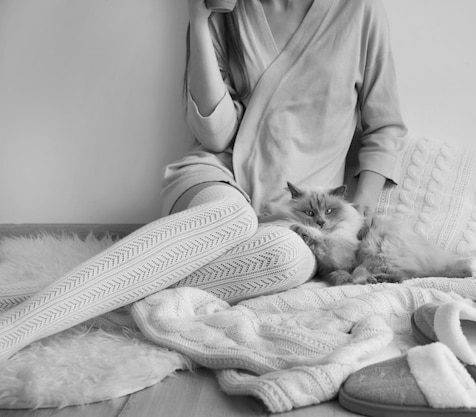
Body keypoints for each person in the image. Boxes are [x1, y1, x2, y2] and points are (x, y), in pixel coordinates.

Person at [0, 0, 406, 361]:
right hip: (219, 175)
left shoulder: (359, 11)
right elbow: (215, 135)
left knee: (287, 258)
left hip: (299, 212)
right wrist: (198, 16)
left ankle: (39, 296)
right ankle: (18, 327)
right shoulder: (228, 10)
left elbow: (384, 127)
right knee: (233, 218)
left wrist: (360, 210)